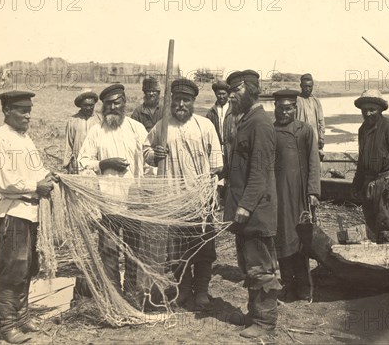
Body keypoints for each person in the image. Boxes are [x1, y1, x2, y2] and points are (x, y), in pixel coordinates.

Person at [0, 91, 58, 343]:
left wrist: (50, 177)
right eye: (22, 110)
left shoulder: (25, 138)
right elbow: (1, 181)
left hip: (31, 212)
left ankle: (23, 317)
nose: (28, 115)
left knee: (27, 268)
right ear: (6, 110)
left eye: (30, 109)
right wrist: (35, 185)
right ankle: (7, 326)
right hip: (14, 213)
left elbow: (36, 170)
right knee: (13, 269)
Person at [143, 78, 222, 310]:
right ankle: (184, 289)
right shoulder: (162, 126)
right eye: (177, 99)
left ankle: (202, 291)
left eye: (185, 100)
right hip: (174, 200)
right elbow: (145, 151)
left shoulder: (205, 126)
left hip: (200, 200)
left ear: (193, 102)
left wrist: (211, 192)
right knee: (178, 249)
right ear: (171, 101)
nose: (180, 104)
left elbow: (217, 163)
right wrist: (154, 154)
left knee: (204, 248)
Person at [78, 83, 150, 308]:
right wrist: (103, 164)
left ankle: (133, 296)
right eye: (107, 104)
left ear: (124, 103)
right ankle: (113, 296)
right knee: (108, 250)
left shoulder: (137, 129)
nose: (112, 107)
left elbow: (150, 164)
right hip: (106, 203)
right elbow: (82, 163)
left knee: (134, 250)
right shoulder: (96, 132)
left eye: (116, 102)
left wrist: (144, 184)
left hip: (133, 201)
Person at [224, 70, 280, 339]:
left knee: (261, 268)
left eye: (236, 90)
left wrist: (244, 207)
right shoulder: (246, 120)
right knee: (249, 265)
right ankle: (254, 314)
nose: (231, 96)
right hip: (246, 210)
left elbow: (260, 173)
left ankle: (265, 323)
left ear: (249, 90)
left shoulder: (260, 124)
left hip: (257, 211)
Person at [272, 89, 321, 301]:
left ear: (295, 108)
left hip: (300, 195)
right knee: (282, 239)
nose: (284, 112)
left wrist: (313, 191)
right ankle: (288, 285)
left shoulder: (305, 130)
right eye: (280, 108)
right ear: (275, 108)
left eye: (288, 108)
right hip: (278, 195)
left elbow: (313, 162)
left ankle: (304, 287)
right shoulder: (270, 130)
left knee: (301, 239)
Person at [351, 89, 389, 244]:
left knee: (388, 229)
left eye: (372, 110)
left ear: (380, 110)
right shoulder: (362, 130)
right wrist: (356, 185)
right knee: (374, 227)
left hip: (386, 185)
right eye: (365, 110)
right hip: (369, 186)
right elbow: (362, 161)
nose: (368, 113)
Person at [63, 90, 101, 173]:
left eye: (91, 105)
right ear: (80, 105)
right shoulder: (72, 121)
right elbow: (69, 144)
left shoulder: (100, 120)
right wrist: (68, 163)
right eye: (85, 105)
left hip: (96, 162)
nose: (88, 108)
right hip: (78, 163)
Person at [295, 73, 325, 153]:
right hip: (300, 140)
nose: (307, 89)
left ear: (312, 86)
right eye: (305, 86)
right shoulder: (297, 100)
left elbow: (321, 121)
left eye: (309, 86)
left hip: (314, 140)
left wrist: (321, 138)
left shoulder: (316, 101)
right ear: (301, 86)